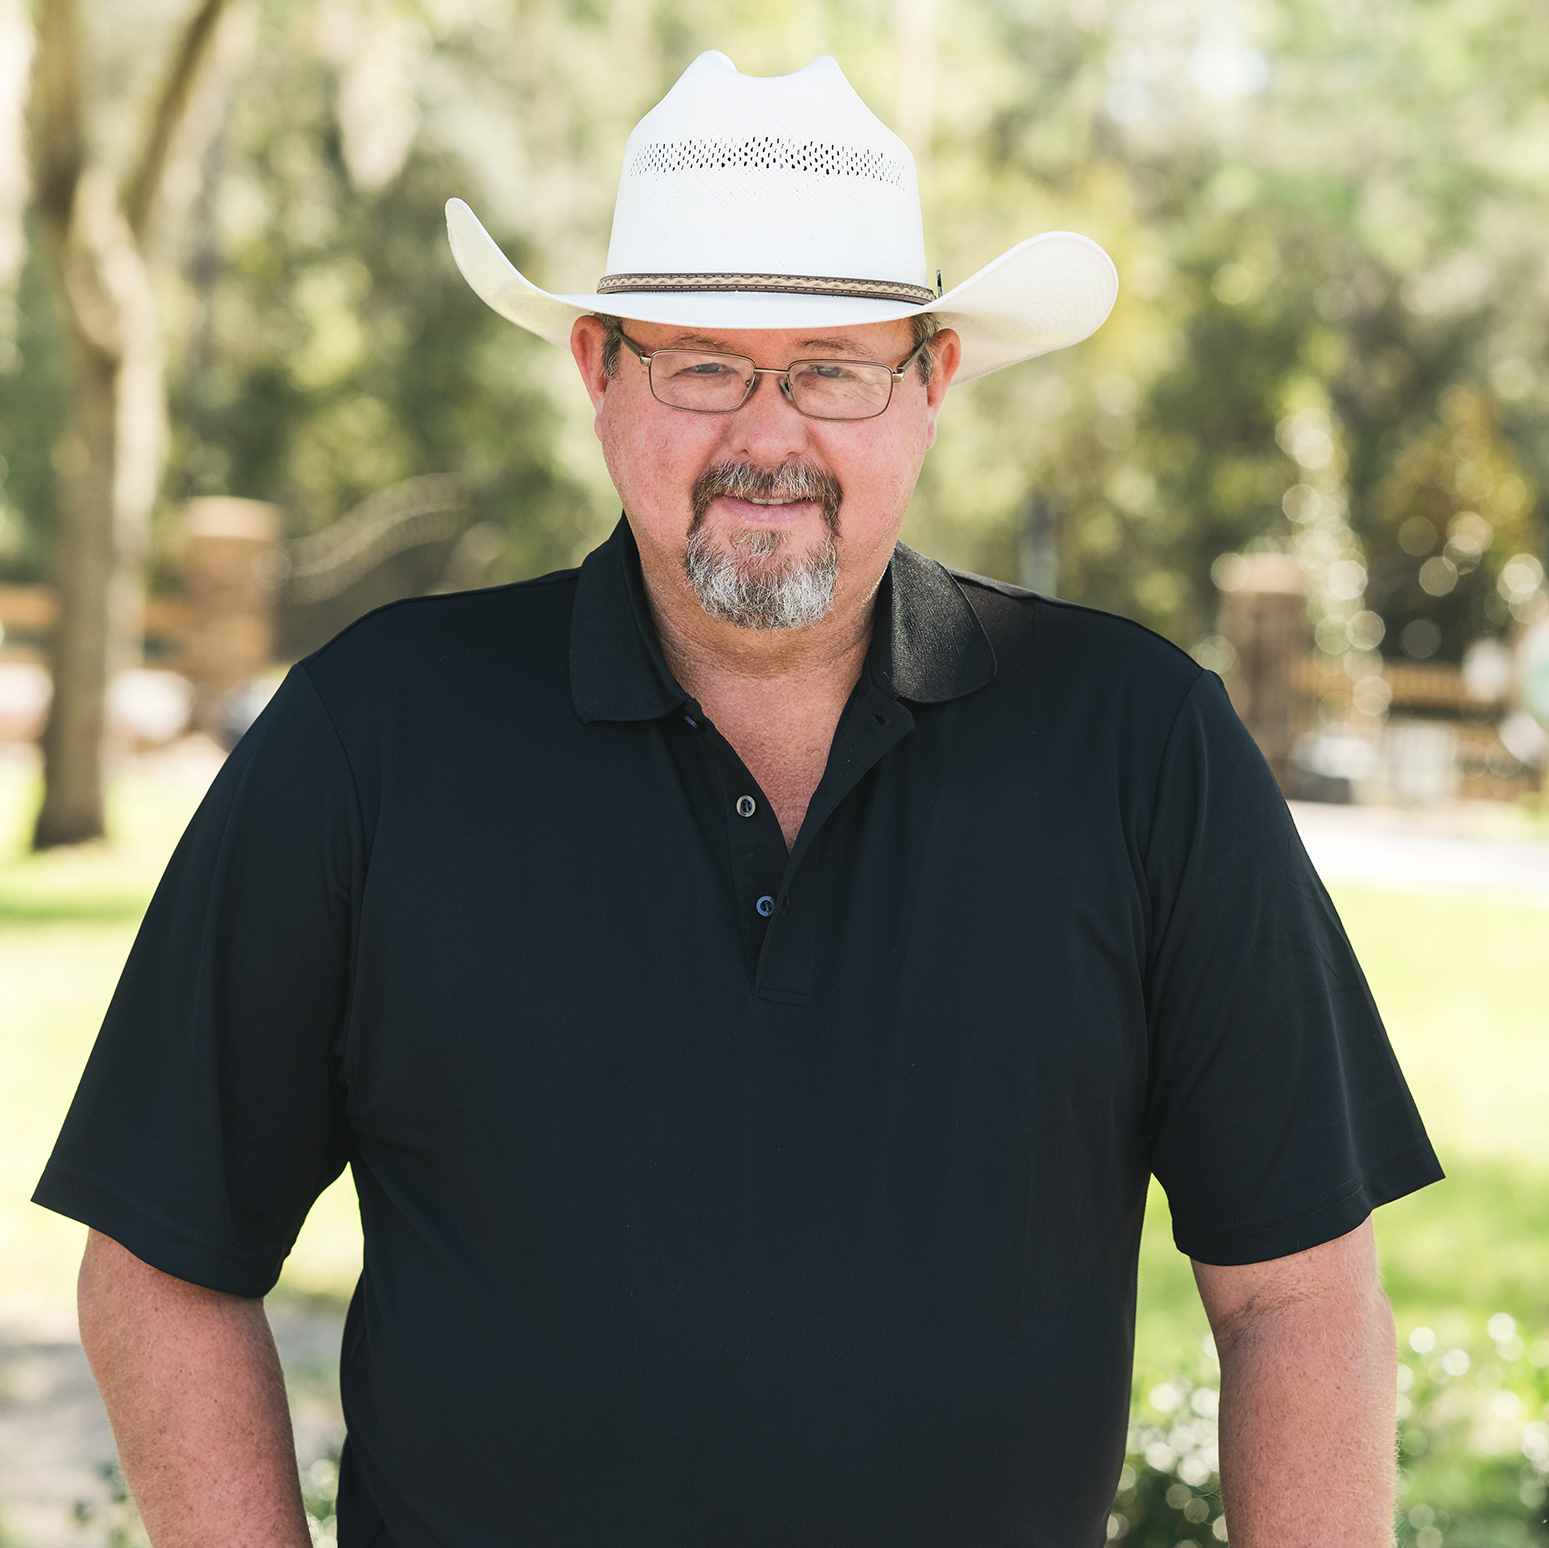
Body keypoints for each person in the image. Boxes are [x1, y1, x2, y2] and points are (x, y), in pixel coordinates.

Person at [34, 48, 1445, 1548]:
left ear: (929, 383)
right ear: (597, 371)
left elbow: (1296, 1291)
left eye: (831, 368)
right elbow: (163, 1256)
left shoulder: (1133, 742)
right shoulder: (374, 732)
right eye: (701, 362)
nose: (766, 440)